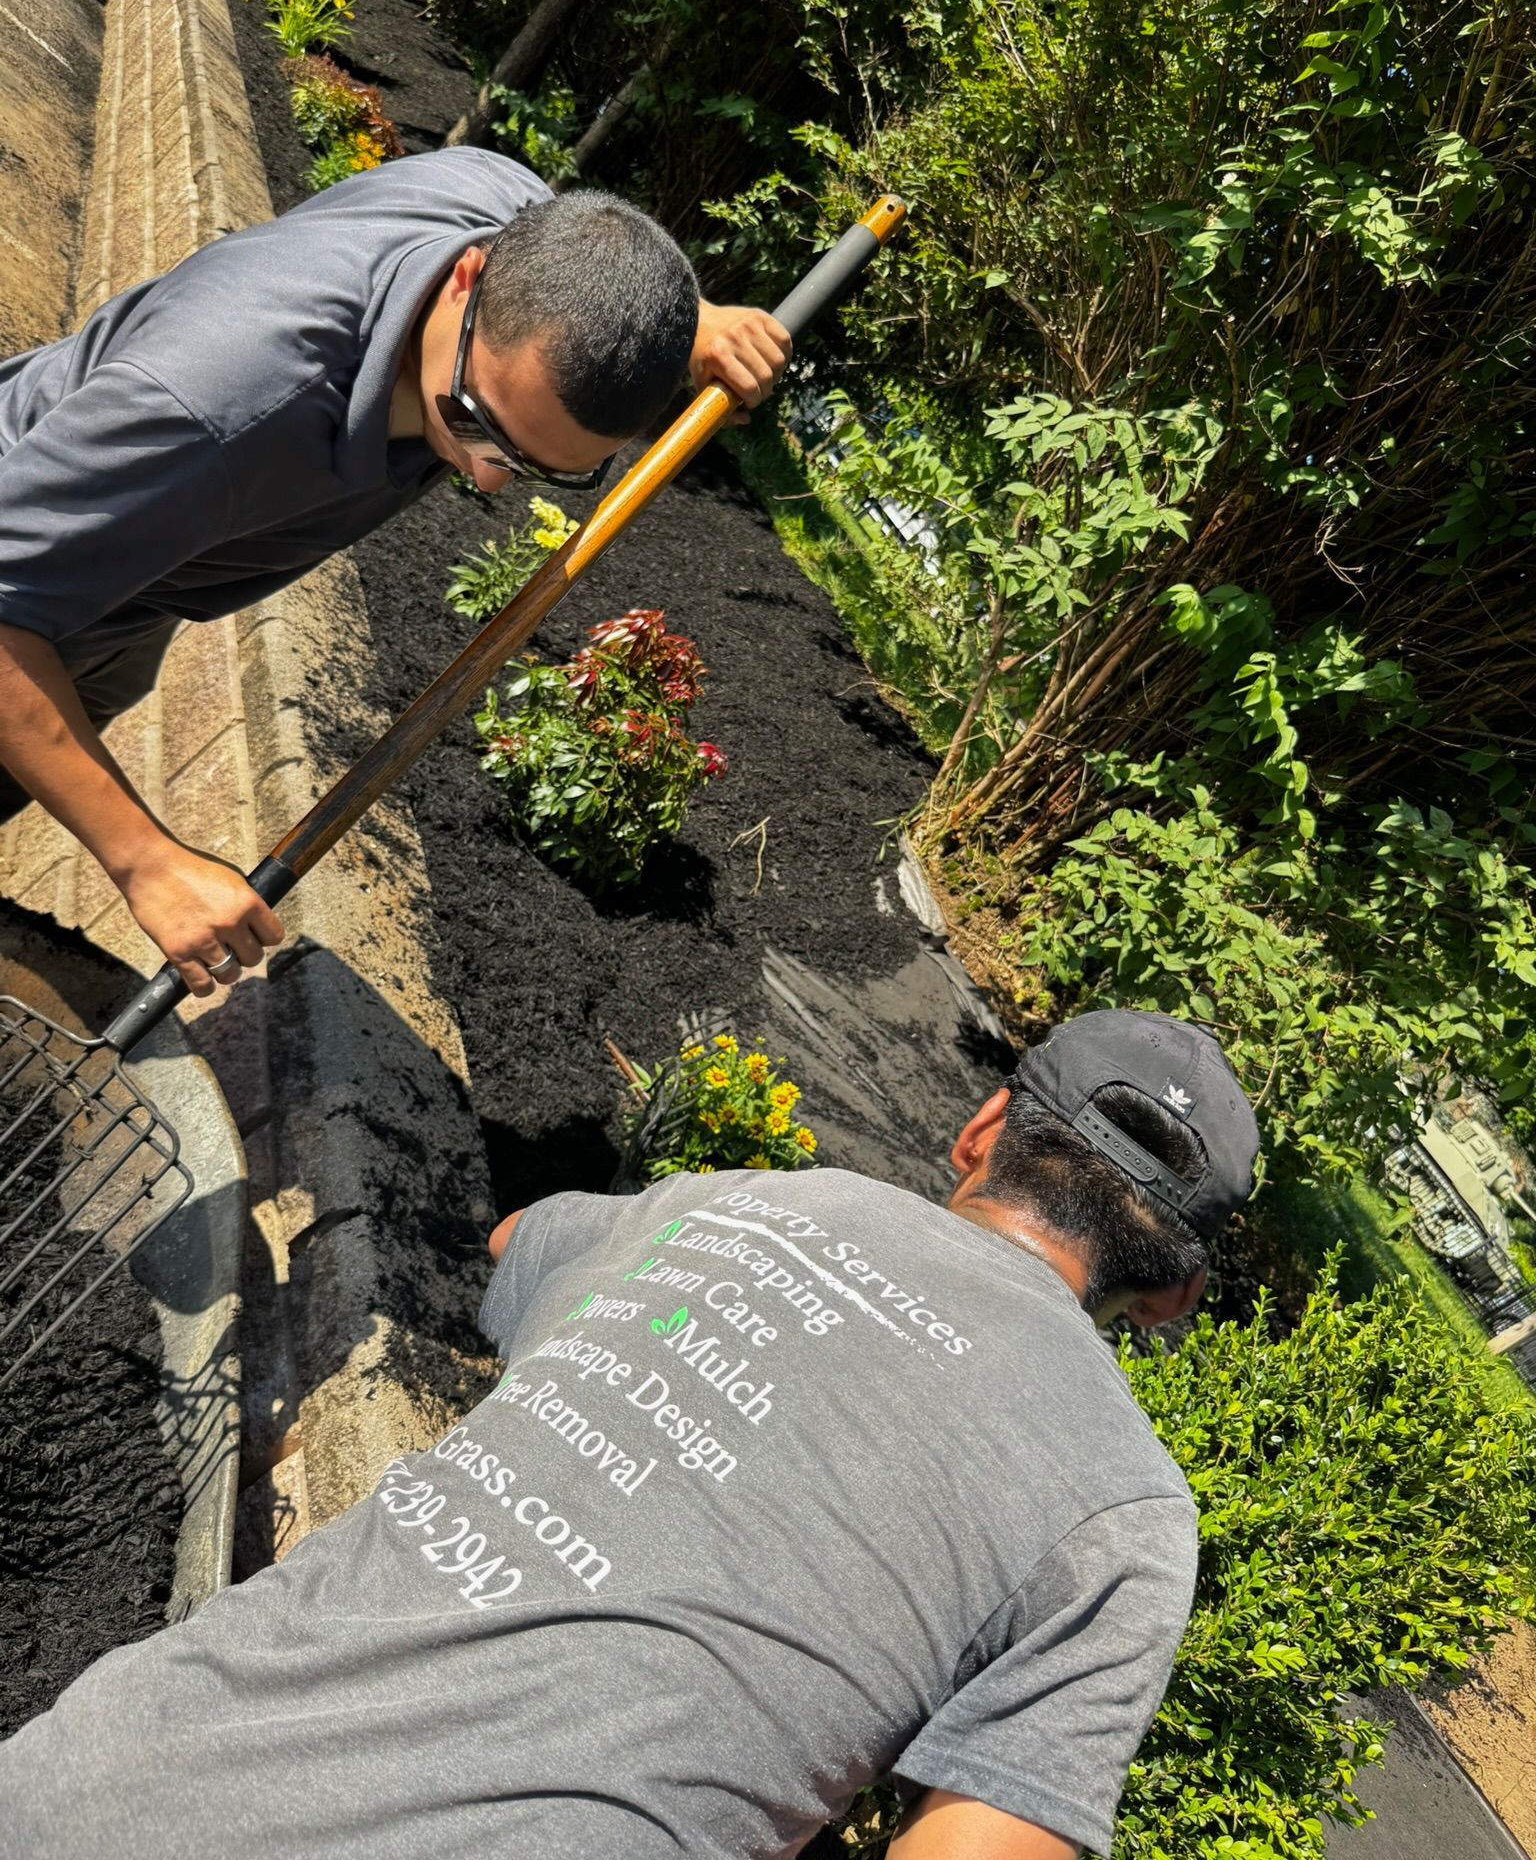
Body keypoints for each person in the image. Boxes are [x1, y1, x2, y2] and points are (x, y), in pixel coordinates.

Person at [0, 1008, 1260, 1859]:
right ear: (1175, 1289)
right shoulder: (1125, 1514)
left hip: (99, 1780)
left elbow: (513, 1246)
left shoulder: (747, 1203)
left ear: (983, 1128)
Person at [0, 149, 789, 994]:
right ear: (467, 279)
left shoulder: (497, 210)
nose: (487, 477)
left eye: (540, 467)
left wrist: (689, 322)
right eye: (478, 423)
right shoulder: (221, 406)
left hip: (119, 588)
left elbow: (579, 234)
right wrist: (145, 860)